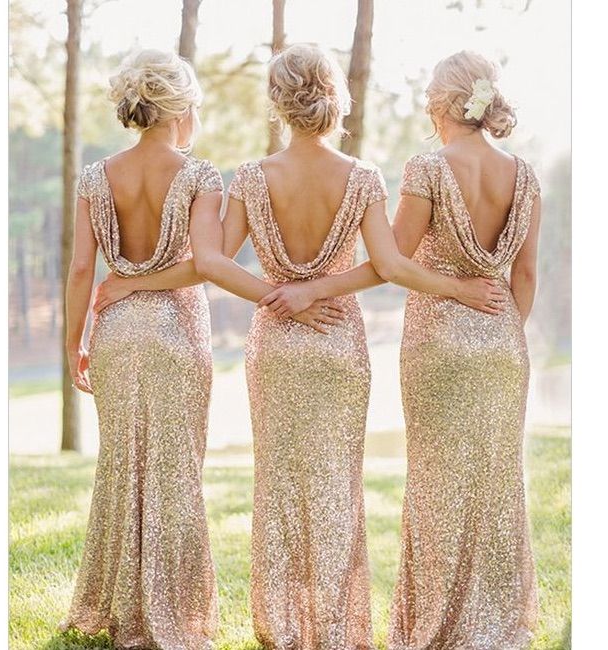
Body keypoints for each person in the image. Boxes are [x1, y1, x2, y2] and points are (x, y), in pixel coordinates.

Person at [191, 44, 503, 650]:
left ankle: (282, 626)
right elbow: (387, 264)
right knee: (339, 482)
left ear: (279, 104)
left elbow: (212, 262)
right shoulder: (363, 177)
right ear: (335, 99)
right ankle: (337, 627)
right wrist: (319, 294)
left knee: (279, 479)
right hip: (338, 343)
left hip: (277, 344)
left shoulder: (252, 179)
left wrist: (276, 295)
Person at [62, 50, 222, 650]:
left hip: (114, 332)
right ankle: (172, 614)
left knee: (121, 469)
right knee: (175, 473)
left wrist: (73, 341)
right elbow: (202, 267)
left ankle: (119, 605)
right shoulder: (202, 176)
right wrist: (143, 281)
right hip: (178, 332)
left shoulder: (95, 177)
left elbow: (83, 269)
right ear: (180, 105)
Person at [384, 51, 541, 649]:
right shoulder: (523, 174)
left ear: (441, 101)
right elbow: (523, 278)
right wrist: (499, 333)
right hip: (503, 343)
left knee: (437, 480)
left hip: (437, 342)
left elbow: (394, 260)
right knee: (496, 481)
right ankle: (496, 623)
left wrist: (452, 293)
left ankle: (442, 623)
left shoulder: (426, 168)